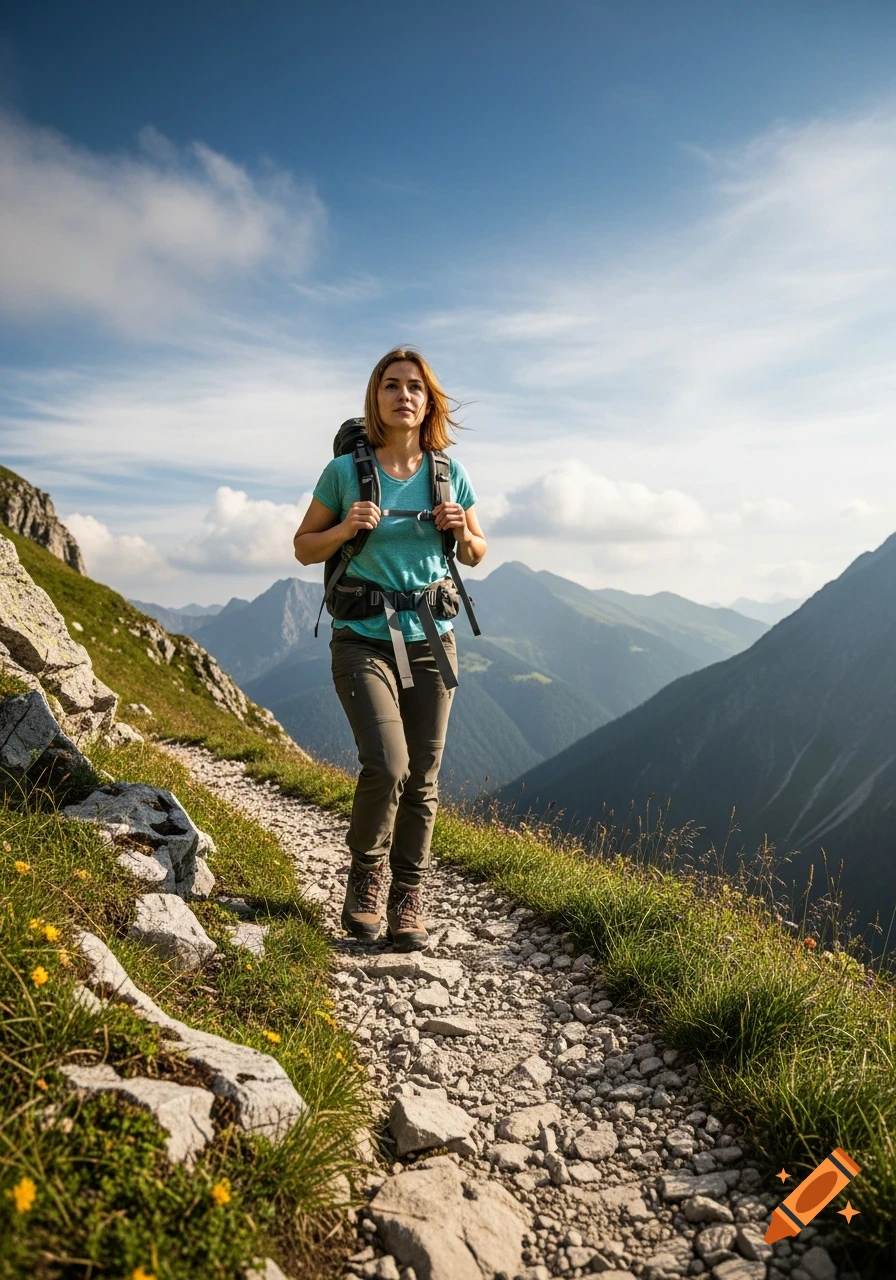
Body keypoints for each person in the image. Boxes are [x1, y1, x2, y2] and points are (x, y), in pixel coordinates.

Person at [293, 348, 487, 950]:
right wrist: (346, 528)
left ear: (429, 402)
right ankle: (367, 878)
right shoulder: (344, 474)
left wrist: (463, 531)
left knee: (424, 776)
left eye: (414, 388)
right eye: (391, 386)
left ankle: (408, 893)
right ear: (374, 398)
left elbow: (479, 552)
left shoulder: (448, 473)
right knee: (389, 764)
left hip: (433, 637)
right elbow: (303, 548)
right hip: (362, 640)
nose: (404, 396)